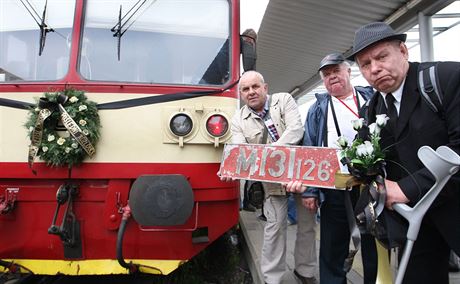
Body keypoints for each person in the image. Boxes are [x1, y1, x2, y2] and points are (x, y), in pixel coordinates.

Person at [349, 22, 460, 283]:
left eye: (381, 57)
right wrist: (356, 167)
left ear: (403, 50)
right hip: (417, 225)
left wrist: (406, 189)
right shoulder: (372, 108)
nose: (374, 69)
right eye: (365, 64)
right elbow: (359, 152)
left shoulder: (447, 79)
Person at [287, 53, 377, 284]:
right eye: (326, 75)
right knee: (332, 246)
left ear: (348, 72)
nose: (332, 77)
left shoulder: (372, 97)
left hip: (372, 185)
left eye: (336, 71)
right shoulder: (318, 109)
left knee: (372, 243)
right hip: (335, 186)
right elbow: (310, 148)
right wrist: (310, 191)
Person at [226, 70, 318, 284]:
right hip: (272, 182)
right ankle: (271, 278)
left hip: (299, 175)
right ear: (241, 94)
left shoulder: (284, 100)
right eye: (246, 89)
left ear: (265, 88)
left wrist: (270, 152)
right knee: (274, 228)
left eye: (255, 86)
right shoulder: (238, 120)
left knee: (307, 226)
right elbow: (242, 152)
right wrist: (233, 169)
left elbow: (296, 130)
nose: (251, 92)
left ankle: (305, 272)